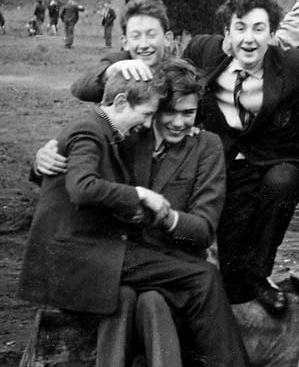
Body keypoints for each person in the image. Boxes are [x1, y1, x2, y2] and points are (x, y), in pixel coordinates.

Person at [68, 0, 299, 315]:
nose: (249, 39)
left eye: (258, 29)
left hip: (275, 160)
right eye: (240, 28)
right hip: (224, 158)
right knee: (228, 254)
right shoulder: (204, 51)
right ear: (227, 33)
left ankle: (259, 277)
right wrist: (112, 68)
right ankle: (229, 284)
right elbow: (155, 67)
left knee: (281, 182)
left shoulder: (293, 65)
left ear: (272, 33)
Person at [22, 59, 249, 367]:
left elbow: (203, 228)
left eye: (189, 113)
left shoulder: (205, 146)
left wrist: (165, 217)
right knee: (130, 297)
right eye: (170, 112)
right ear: (154, 109)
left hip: (165, 257)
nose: (180, 123)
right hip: (113, 255)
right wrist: (43, 161)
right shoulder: (127, 132)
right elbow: (80, 170)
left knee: (184, 286)